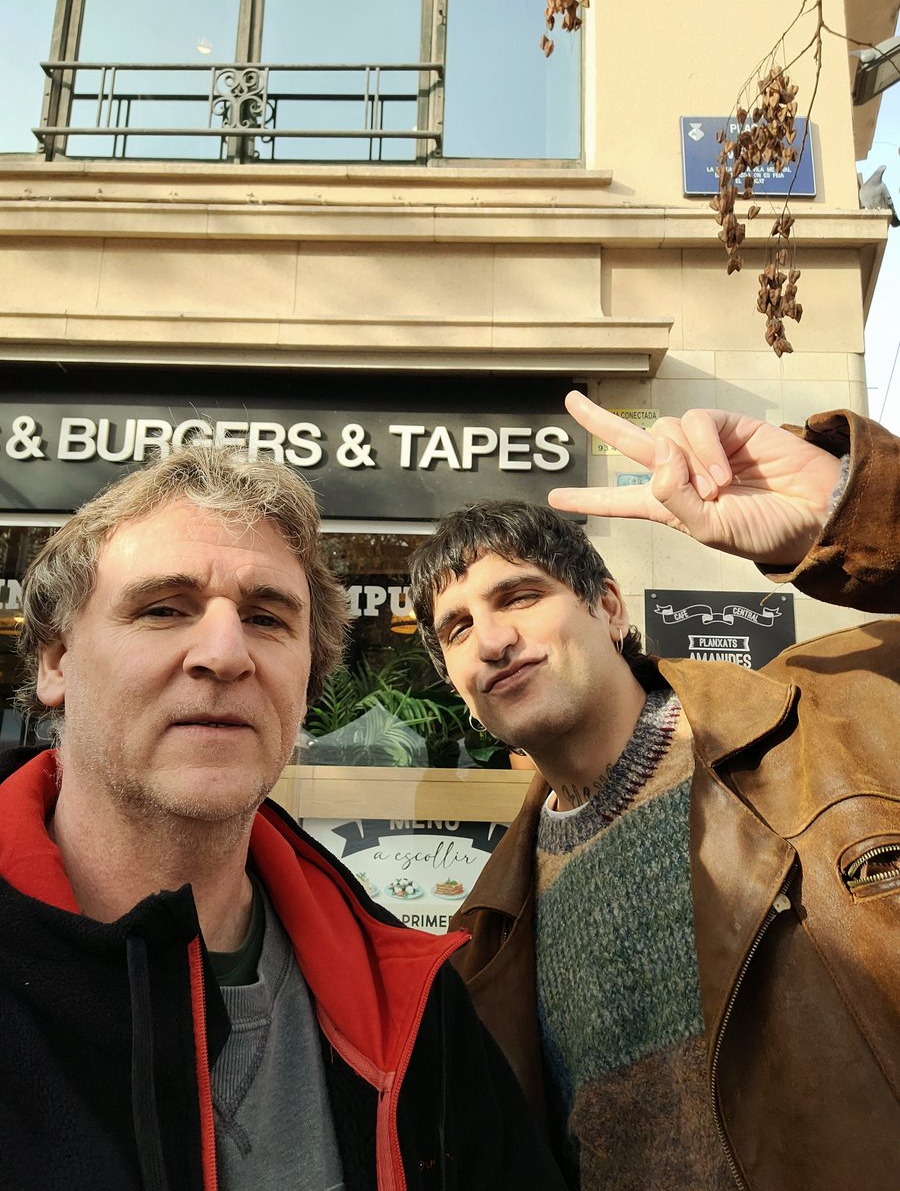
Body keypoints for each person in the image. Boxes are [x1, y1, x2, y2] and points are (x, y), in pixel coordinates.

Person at [0, 444, 568, 1191]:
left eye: (267, 618)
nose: (226, 653)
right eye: (163, 609)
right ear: (55, 662)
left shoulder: (416, 1003)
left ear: (307, 678)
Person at [408, 391, 900, 1191]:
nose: (492, 641)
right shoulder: (488, 940)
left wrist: (852, 511)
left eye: (519, 597)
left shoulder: (841, 718)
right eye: (458, 628)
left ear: (608, 609)